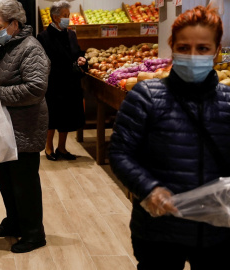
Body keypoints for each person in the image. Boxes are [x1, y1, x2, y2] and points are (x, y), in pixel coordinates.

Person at [109, 5, 230, 270]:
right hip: (158, 230)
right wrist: (148, 188)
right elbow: (120, 152)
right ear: (172, 47)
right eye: (184, 48)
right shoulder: (146, 96)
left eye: (202, 49)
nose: (193, 55)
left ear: (216, 51)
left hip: (216, 233)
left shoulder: (227, 102)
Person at [0, 0, 50, 254]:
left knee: (24, 182)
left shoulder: (31, 49)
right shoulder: (1, 46)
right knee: (5, 178)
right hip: (2, 127)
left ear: (15, 25)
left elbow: (36, 88)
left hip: (23, 128)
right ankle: (14, 222)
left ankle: (33, 234)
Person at [37, 0, 87, 161]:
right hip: (53, 83)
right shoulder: (44, 37)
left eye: (68, 15)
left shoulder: (71, 34)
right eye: (65, 16)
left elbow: (77, 52)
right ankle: (48, 147)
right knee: (52, 117)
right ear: (55, 17)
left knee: (67, 117)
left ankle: (62, 148)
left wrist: (81, 59)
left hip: (71, 82)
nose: (68, 18)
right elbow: (42, 61)